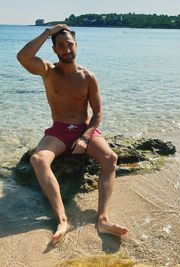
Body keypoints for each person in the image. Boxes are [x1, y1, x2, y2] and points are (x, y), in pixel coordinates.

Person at [17, 24, 128, 244]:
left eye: (69, 44)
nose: (66, 49)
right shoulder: (48, 71)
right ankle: (62, 219)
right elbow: (23, 57)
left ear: (76, 45)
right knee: (38, 159)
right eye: (61, 46)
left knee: (111, 158)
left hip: (84, 129)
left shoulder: (88, 77)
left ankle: (103, 219)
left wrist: (85, 137)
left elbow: (97, 114)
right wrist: (48, 32)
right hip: (58, 131)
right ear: (55, 50)